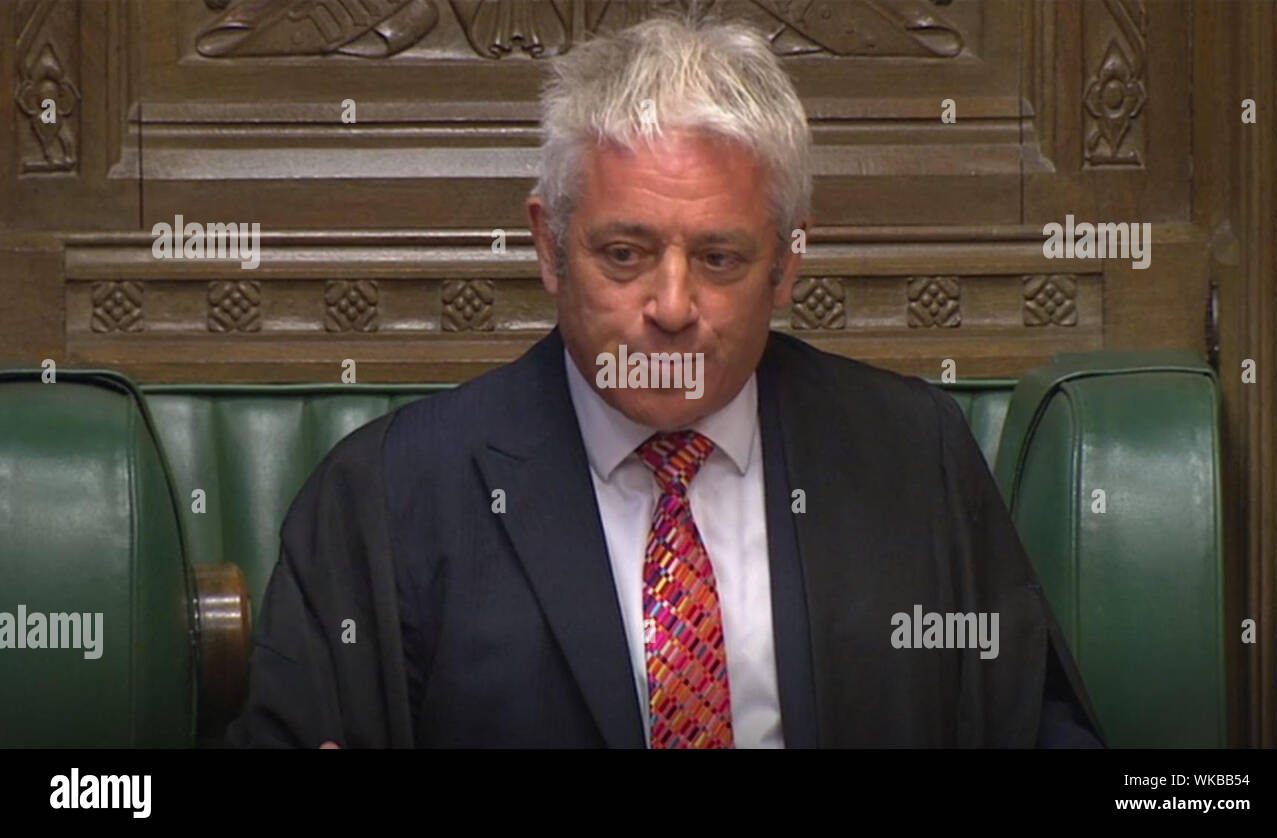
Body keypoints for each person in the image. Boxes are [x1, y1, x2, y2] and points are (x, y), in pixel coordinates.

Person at [226, 12, 1102, 748]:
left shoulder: (912, 456)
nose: (673, 306)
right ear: (549, 246)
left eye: (719, 258)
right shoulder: (388, 493)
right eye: (624, 254)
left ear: (787, 266)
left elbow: (1037, 727)